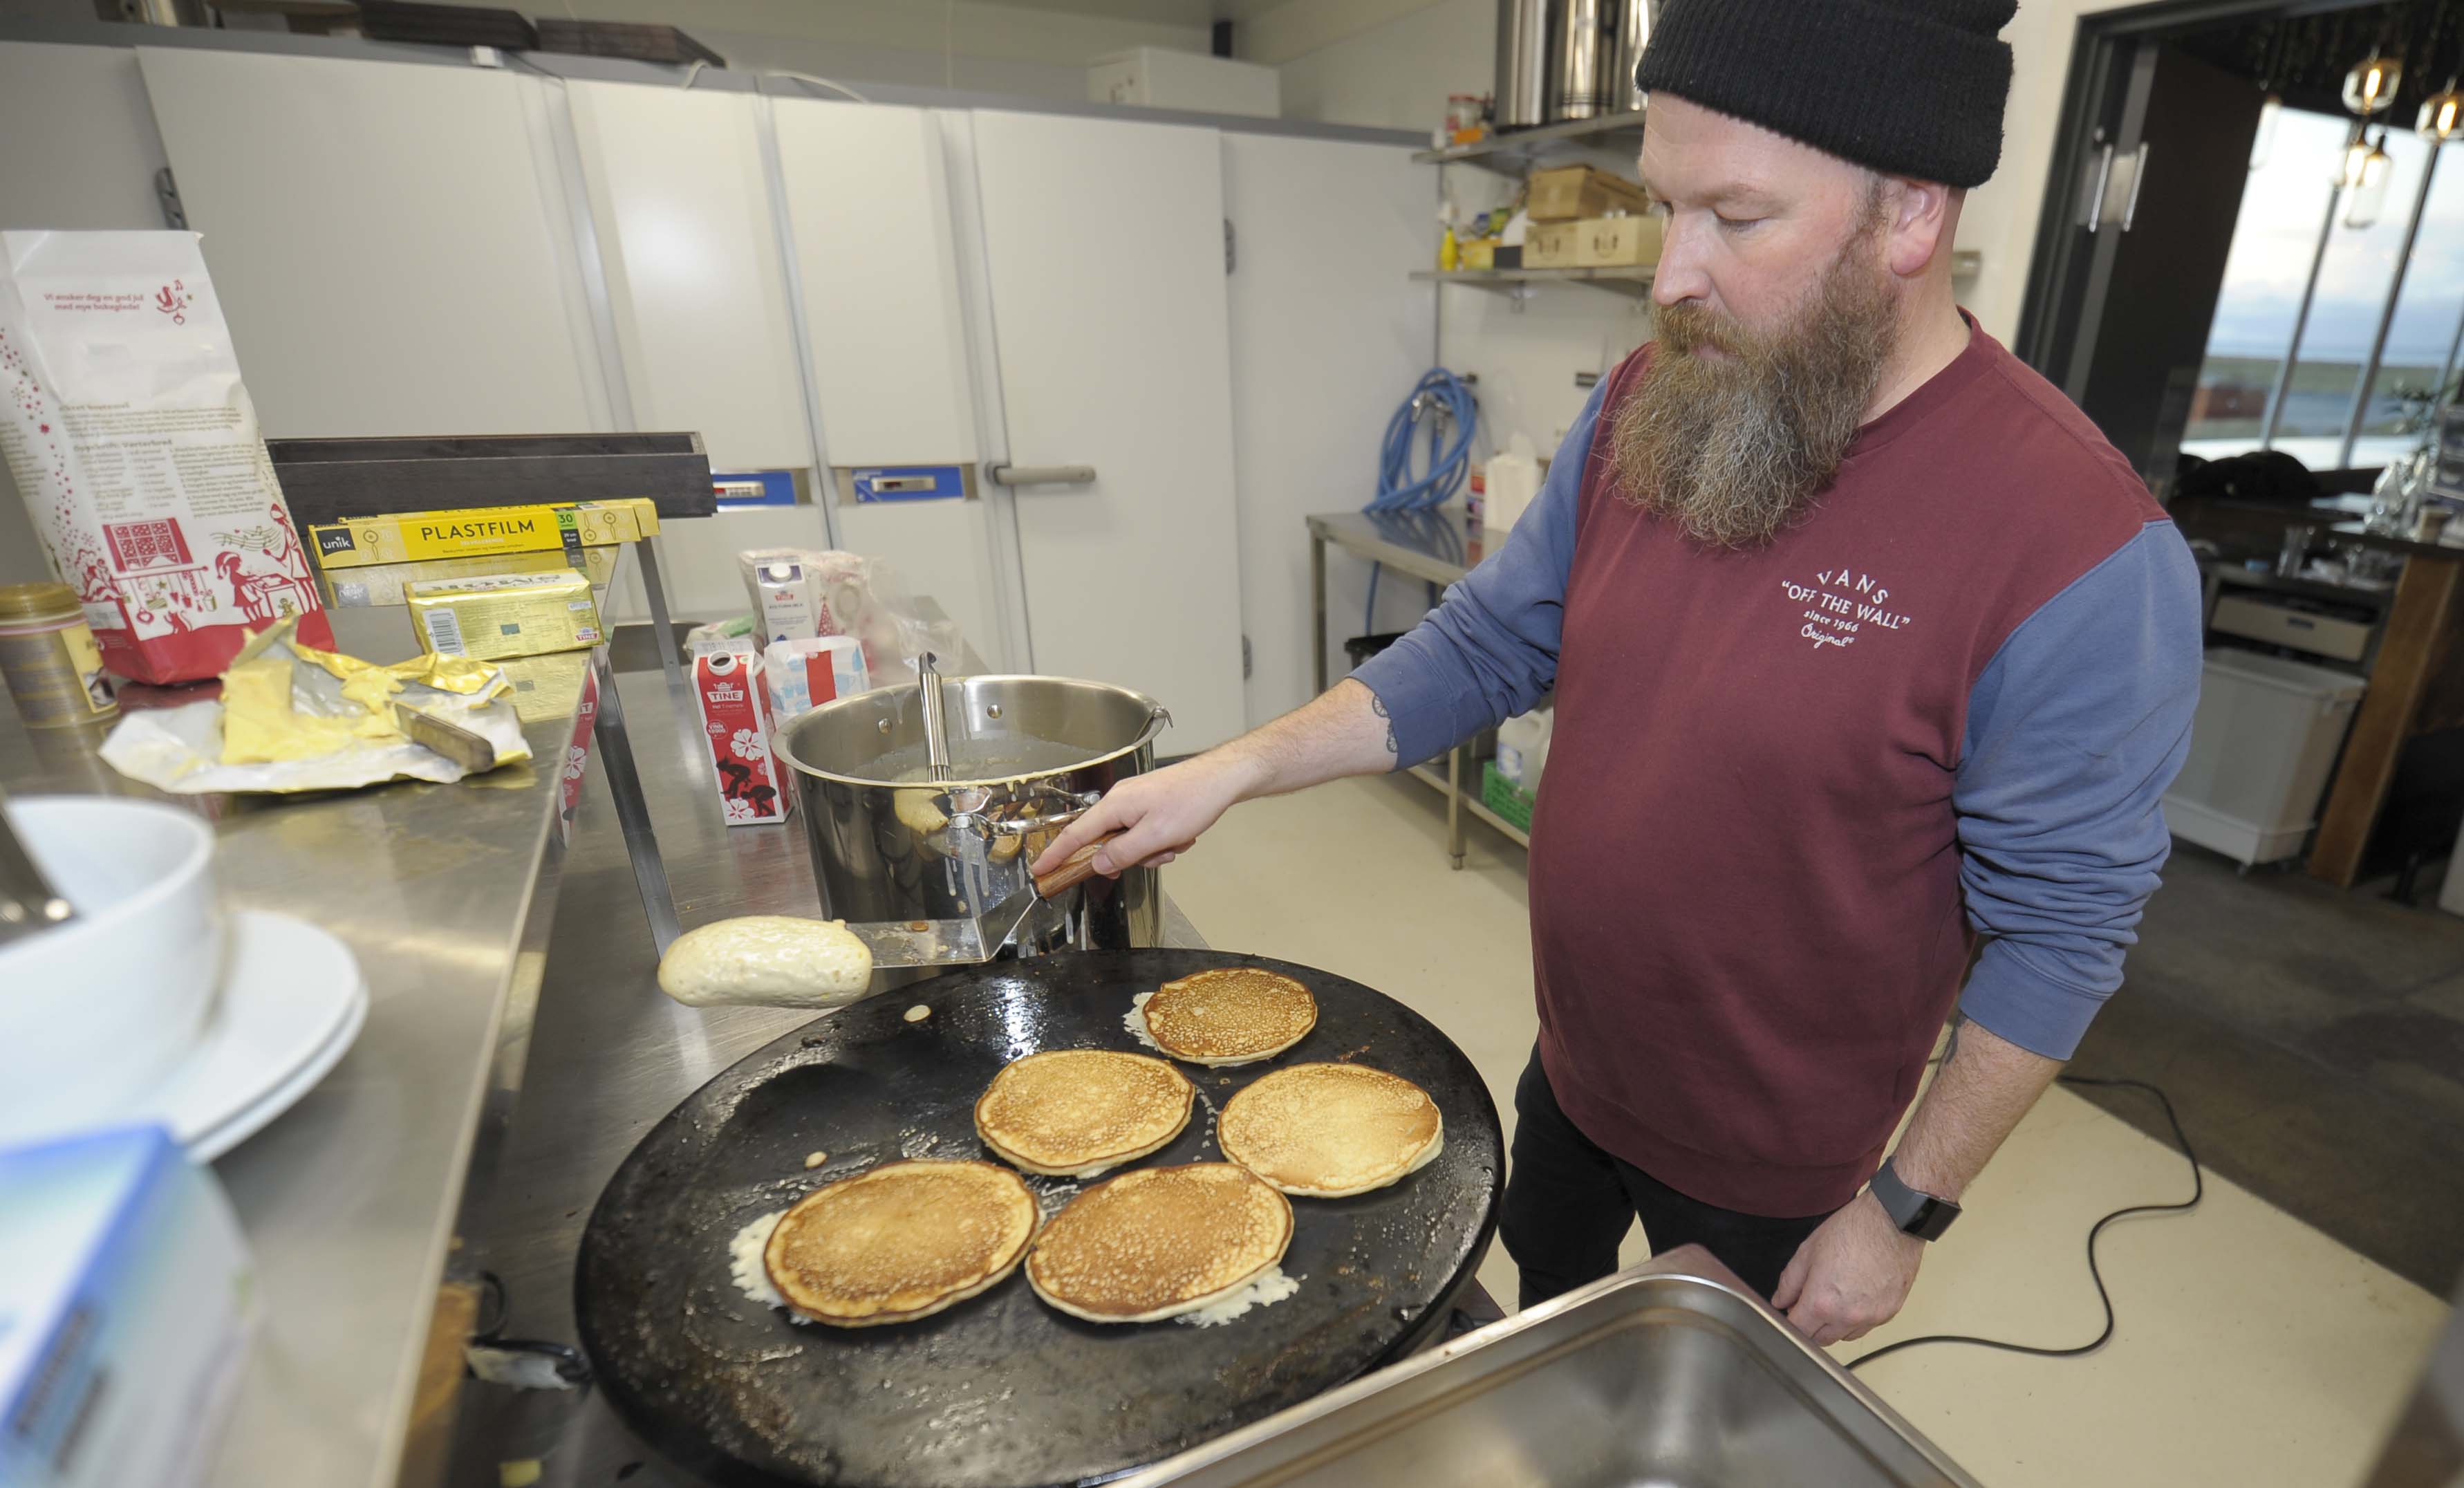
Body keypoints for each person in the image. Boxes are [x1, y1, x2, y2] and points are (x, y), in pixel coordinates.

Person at [1036, 0, 2202, 1348]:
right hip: (1580, 1066)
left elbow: (2059, 935)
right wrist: (1238, 767)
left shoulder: (2076, 548)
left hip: (1780, 1156)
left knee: (1691, 1426)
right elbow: (1488, 642)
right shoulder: (1658, 397)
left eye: (1737, 217)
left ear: (1912, 217)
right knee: (1553, 1330)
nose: (1670, 274)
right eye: (1666, 205)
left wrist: (1904, 1206)